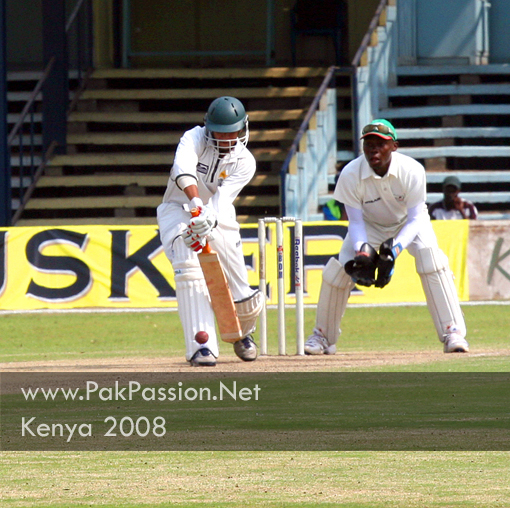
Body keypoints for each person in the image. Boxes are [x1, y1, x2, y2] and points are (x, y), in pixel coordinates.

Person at [304, 119, 469, 355]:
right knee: (340, 270)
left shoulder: (412, 170)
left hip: (409, 223)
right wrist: (362, 250)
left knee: (431, 259)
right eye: (369, 144)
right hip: (370, 224)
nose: (374, 149)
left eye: (380, 144)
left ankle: (452, 332)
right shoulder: (350, 174)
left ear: (394, 146)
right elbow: (356, 221)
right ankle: (322, 337)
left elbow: (415, 218)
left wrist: (395, 249)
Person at [157, 96, 263, 367]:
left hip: (217, 214)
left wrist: (207, 218)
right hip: (177, 207)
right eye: (219, 132)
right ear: (208, 127)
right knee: (187, 261)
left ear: (242, 129)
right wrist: (194, 204)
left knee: (238, 281)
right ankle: (201, 346)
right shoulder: (193, 138)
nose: (226, 139)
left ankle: (243, 333)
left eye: (232, 133)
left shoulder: (245, 162)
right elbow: (183, 169)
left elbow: (221, 202)